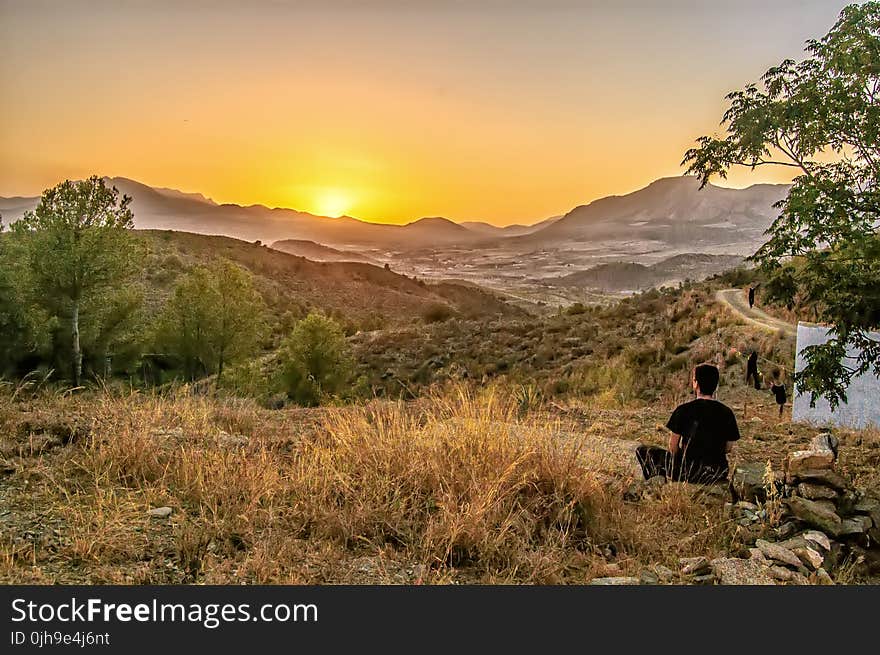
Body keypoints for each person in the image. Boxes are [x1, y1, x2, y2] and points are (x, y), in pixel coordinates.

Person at [636, 364, 740, 483]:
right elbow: (728, 448)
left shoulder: (683, 410)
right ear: (716, 385)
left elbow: (673, 447)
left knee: (643, 451)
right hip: (717, 471)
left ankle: (657, 484)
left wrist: (683, 455)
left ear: (696, 383)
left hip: (689, 471)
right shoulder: (727, 412)